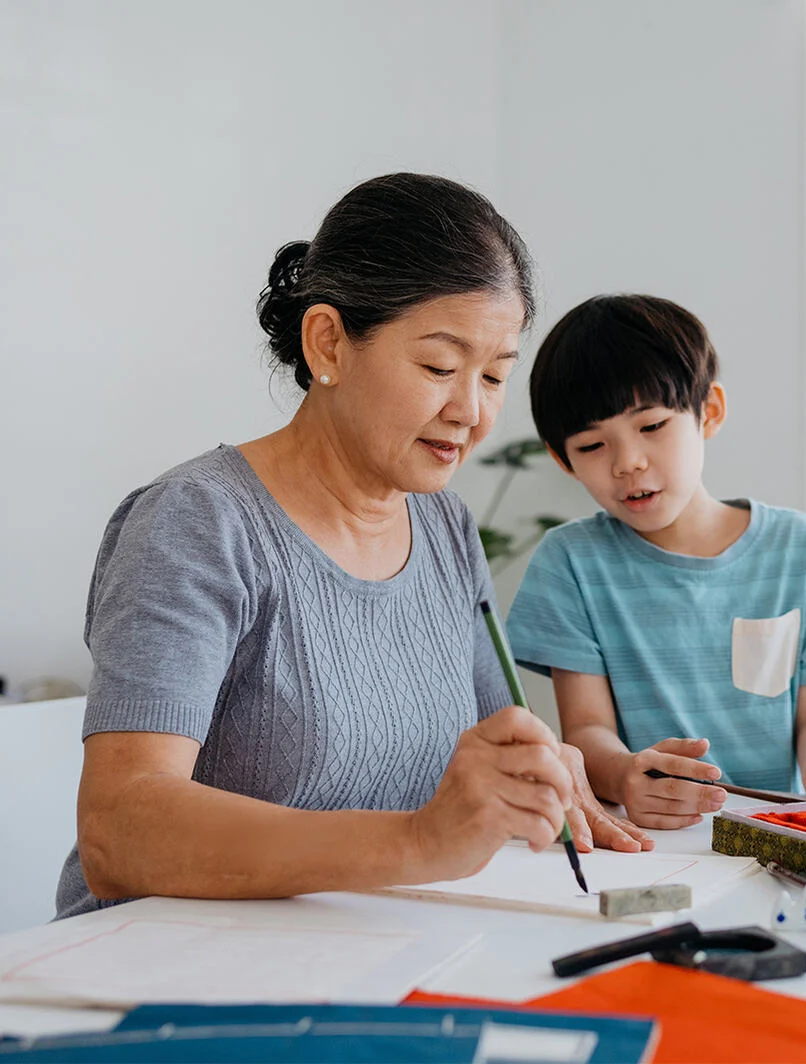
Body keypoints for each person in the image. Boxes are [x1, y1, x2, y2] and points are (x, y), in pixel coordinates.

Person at [56, 174, 650, 920]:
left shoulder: (445, 530)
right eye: (439, 366)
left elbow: (499, 755)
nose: (470, 410)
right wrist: (416, 842)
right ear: (329, 342)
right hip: (162, 973)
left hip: (366, 949)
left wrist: (544, 776)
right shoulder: (199, 523)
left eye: (495, 374)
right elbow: (121, 832)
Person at [505, 294, 806, 830]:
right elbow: (587, 729)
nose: (628, 463)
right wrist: (625, 776)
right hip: (646, 841)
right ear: (562, 459)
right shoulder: (569, 562)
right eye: (593, 445)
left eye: (651, 427)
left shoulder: (801, 549)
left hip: (774, 836)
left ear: (707, 411)